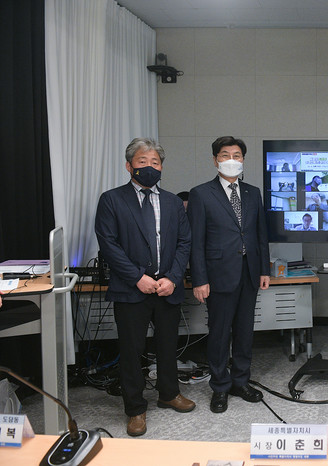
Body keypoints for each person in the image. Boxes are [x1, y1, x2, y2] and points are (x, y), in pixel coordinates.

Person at [94, 137, 195, 437]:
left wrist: (173, 277)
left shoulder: (173, 202)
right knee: (131, 350)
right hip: (131, 289)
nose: (149, 167)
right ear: (129, 166)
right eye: (142, 161)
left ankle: (169, 393)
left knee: (168, 345)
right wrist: (138, 277)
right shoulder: (112, 199)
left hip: (167, 287)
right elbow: (109, 244)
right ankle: (135, 408)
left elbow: (184, 242)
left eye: (155, 162)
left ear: (161, 167)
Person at [187, 136, 271, 414]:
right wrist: (199, 279)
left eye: (237, 155)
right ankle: (220, 386)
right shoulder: (201, 194)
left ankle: (240, 381)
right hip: (218, 274)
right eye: (225, 155)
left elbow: (260, 235)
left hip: (249, 272)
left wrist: (264, 269)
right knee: (220, 333)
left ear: (243, 159)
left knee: (245, 332)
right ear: (215, 160)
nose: (231, 160)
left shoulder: (252, 193)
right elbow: (196, 242)